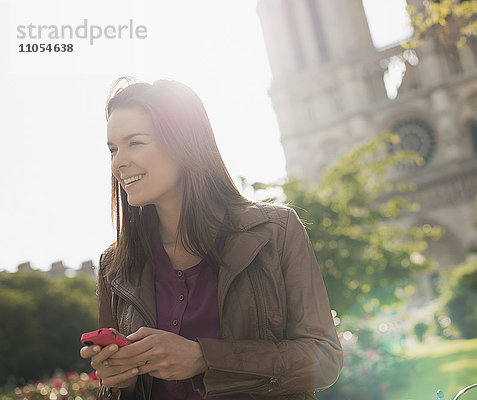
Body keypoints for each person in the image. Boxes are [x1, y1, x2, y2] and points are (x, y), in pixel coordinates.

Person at [80, 77, 343, 400]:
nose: (118, 161)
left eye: (135, 142)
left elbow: (324, 359)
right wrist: (117, 379)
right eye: (112, 149)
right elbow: (118, 391)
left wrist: (205, 358)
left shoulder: (276, 231)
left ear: (183, 143)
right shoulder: (115, 265)